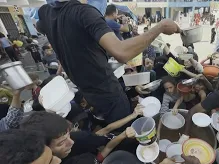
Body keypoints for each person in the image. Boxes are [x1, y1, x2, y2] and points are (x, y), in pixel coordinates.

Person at [37, 0, 180, 125]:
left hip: (89, 94)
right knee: (125, 133)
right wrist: (160, 27)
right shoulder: (84, 13)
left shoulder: (46, 12)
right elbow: (121, 52)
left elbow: (39, 26)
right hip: (109, 95)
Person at [19, 111, 136, 164]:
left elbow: (106, 139)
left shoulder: (80, 140)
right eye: (61, 143)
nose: (71, 142)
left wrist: (123, 134)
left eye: (69, 135)